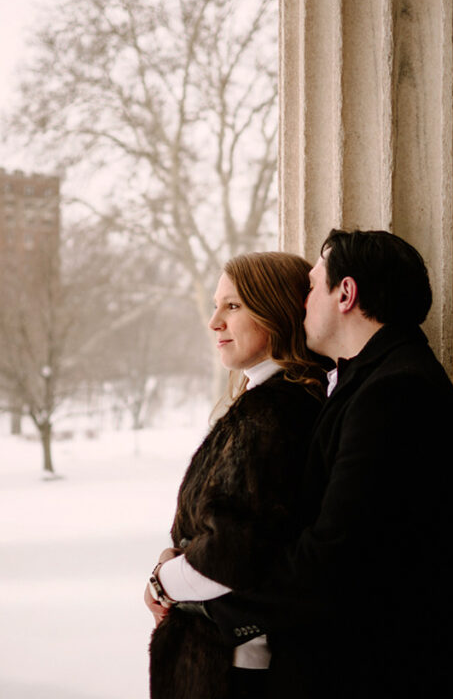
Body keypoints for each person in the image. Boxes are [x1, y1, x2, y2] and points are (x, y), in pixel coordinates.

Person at [186, 229, 453, 697]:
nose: (300, 301)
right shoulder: (370, 380)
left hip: (399, 666)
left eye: (310, 286)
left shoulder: (395, 392)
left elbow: (335, 558)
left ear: (346, 293)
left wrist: (216, 607)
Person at [143, 252, 327, 699]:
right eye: (215, 305)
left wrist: (162, 582)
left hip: (231, 670)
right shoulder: (269, 401)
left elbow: (232, 554)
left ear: (278, 311)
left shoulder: (276, 411)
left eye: (233, 306)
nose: (214, 323)